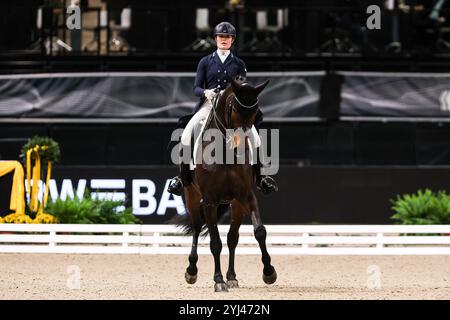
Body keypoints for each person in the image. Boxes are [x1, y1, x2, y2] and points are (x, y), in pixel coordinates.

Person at [167, 21, 278, 196]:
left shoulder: (239, 63)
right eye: (221, 36)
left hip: (232, 107)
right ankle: (182, 178)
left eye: (227, 37)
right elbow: (195, 87)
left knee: (255, 138)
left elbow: (242, 86)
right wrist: (205, 92)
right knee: (187, 134)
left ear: (232, 40)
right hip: (210, 104)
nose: (224, 39)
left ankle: (262, 177)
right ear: (216, 39)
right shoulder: (205, 62)